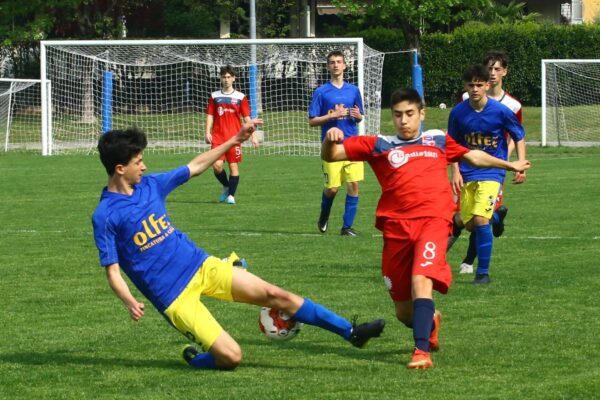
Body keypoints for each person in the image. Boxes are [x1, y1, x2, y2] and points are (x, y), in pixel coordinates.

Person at [92, 122, 385, 371]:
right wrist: (129, 301)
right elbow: (113, 271)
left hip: (202, 266)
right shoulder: (106, 215)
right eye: (137, 161)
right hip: (174, 297)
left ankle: (351, 331)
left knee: (275, 294)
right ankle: (198, 360)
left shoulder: (151, 184)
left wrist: (233, 140)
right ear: (120, 168)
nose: (144, 165)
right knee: (231, 357)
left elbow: (194, 167)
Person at [321, 88, 530, 369]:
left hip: (434, 221)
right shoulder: (379, 144)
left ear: (422, 113)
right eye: (397, 115)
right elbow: (333, 155)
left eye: (409, 114)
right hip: (396, 230)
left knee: (422, 279)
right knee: (403, 312)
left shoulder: (438, 139)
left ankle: (421, 352)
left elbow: (474, 156)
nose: (403, 121)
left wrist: (510, 164)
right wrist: (330, 139)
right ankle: (430, 321)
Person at [447, 64, 527, 284]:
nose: (475, 89)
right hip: (467, 171)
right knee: (467, 222)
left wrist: (519, 163)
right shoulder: (458, 112)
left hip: (493, 172)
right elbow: (451, 144)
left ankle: (482, 273)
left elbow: (518, 134)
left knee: (480, 220)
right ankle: (497, 216)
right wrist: (455, 170)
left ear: (487, 85)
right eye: (471, 85)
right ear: (465, 86)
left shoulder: (501, 111)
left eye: (479, 85)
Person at [309, 50, 364, 236]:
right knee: (332, 189)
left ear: (345, 65)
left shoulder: (354, 90)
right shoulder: (321, 92)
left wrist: (358, 116)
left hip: (352, 144)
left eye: (339, 61)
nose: (336, 65)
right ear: (328, 67)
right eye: (332, 62)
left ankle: (347, 227)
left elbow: (359, 116)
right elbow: (312, 120)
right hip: (332, 148)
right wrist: (331, 116)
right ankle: (324, 216)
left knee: (354, 185)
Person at [205, 65, 259, 205]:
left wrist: (253, 135)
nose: (226, 80)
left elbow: (247, 118)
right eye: (224, 77)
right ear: (221, 79)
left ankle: (231, 196)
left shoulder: (240, 97)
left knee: (233, 166)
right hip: (218, 137)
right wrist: (207, 132)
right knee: (216, 166)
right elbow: (210, 115)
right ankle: (227, 186)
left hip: (234, 138)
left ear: (234, 79)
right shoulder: (214, 96)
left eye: (229, 77)